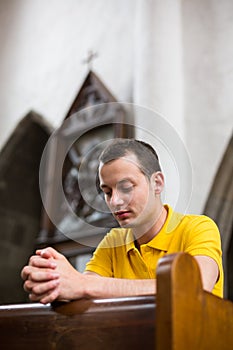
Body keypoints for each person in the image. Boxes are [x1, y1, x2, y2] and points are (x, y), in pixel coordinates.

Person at [21, 139, 223, 304]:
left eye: (126, 187)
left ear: (157, 183)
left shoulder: (198, 228)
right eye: (107, 192)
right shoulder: (113, 242)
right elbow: (83, 289)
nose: (115, 201)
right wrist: (52, 279)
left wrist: (82, 284)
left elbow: (194, 285)